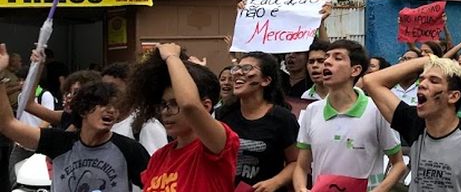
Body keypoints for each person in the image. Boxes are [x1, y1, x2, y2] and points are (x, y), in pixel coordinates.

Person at [0, 44, 149, 192]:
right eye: (103, 104)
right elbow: (8, 124)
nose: (110, 110)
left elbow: (156, 185)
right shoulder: (59, 142)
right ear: (83, 110)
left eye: (114, 106)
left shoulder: (130, 149)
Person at [361, 55, 461, 191]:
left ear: (453, 96)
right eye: (422, 79)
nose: (422, 84)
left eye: (433, 81)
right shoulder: (415, 124)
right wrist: (427, 60)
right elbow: (371, 81)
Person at [296, 40, 404, 191]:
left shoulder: (376, 110)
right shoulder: (312, 111)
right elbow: (301, 166)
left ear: (355, 70)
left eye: (337, 58)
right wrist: (301, 188)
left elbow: (399, 164)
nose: (327, 62)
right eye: (326, 57)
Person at [131, 43, 241, 192]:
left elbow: (190, 105)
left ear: (206, 106)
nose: (166, 112)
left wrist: (172, 57)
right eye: (163, 104)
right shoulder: (159, 157)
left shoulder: (217, 144)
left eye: (175, 103)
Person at [216, 52, 299, 192]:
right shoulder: (222, 115)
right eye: (236, 69)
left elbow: (296, 162)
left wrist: (275, 182)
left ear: (266, 80)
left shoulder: (283, 119)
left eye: (247, 68)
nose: (237, 74)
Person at [100, 63, 168, 155]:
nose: (107, 93)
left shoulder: (146, 125)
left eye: (114, 87)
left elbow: (157, 165)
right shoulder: (100, 124)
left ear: (130, 89)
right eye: (103, 88)